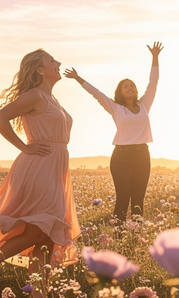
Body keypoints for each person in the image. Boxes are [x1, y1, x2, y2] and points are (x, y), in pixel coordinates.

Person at [0, 49, 80, 294]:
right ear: (40, 70)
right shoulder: (34, 96)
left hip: (56, 167)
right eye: (52, 61)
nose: (58, 63)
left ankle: (38, 296)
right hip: (39, 166)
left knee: (46, 236)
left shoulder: (52, 99)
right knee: (39, 228)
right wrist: (24, 146)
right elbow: (0, 118)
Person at [64, 43, 162, 221]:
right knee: (123, 199)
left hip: (142, 155)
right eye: (126, 86)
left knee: (138, 199)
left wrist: (155, 57)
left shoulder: (144, 104)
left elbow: (153, 83)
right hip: (121, 157)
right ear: (120, 92)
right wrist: (78, 78)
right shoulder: (115, 108)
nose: (130, 88)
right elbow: (97, 93)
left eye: (132, 85)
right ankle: (118, 234)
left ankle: (136, 236)